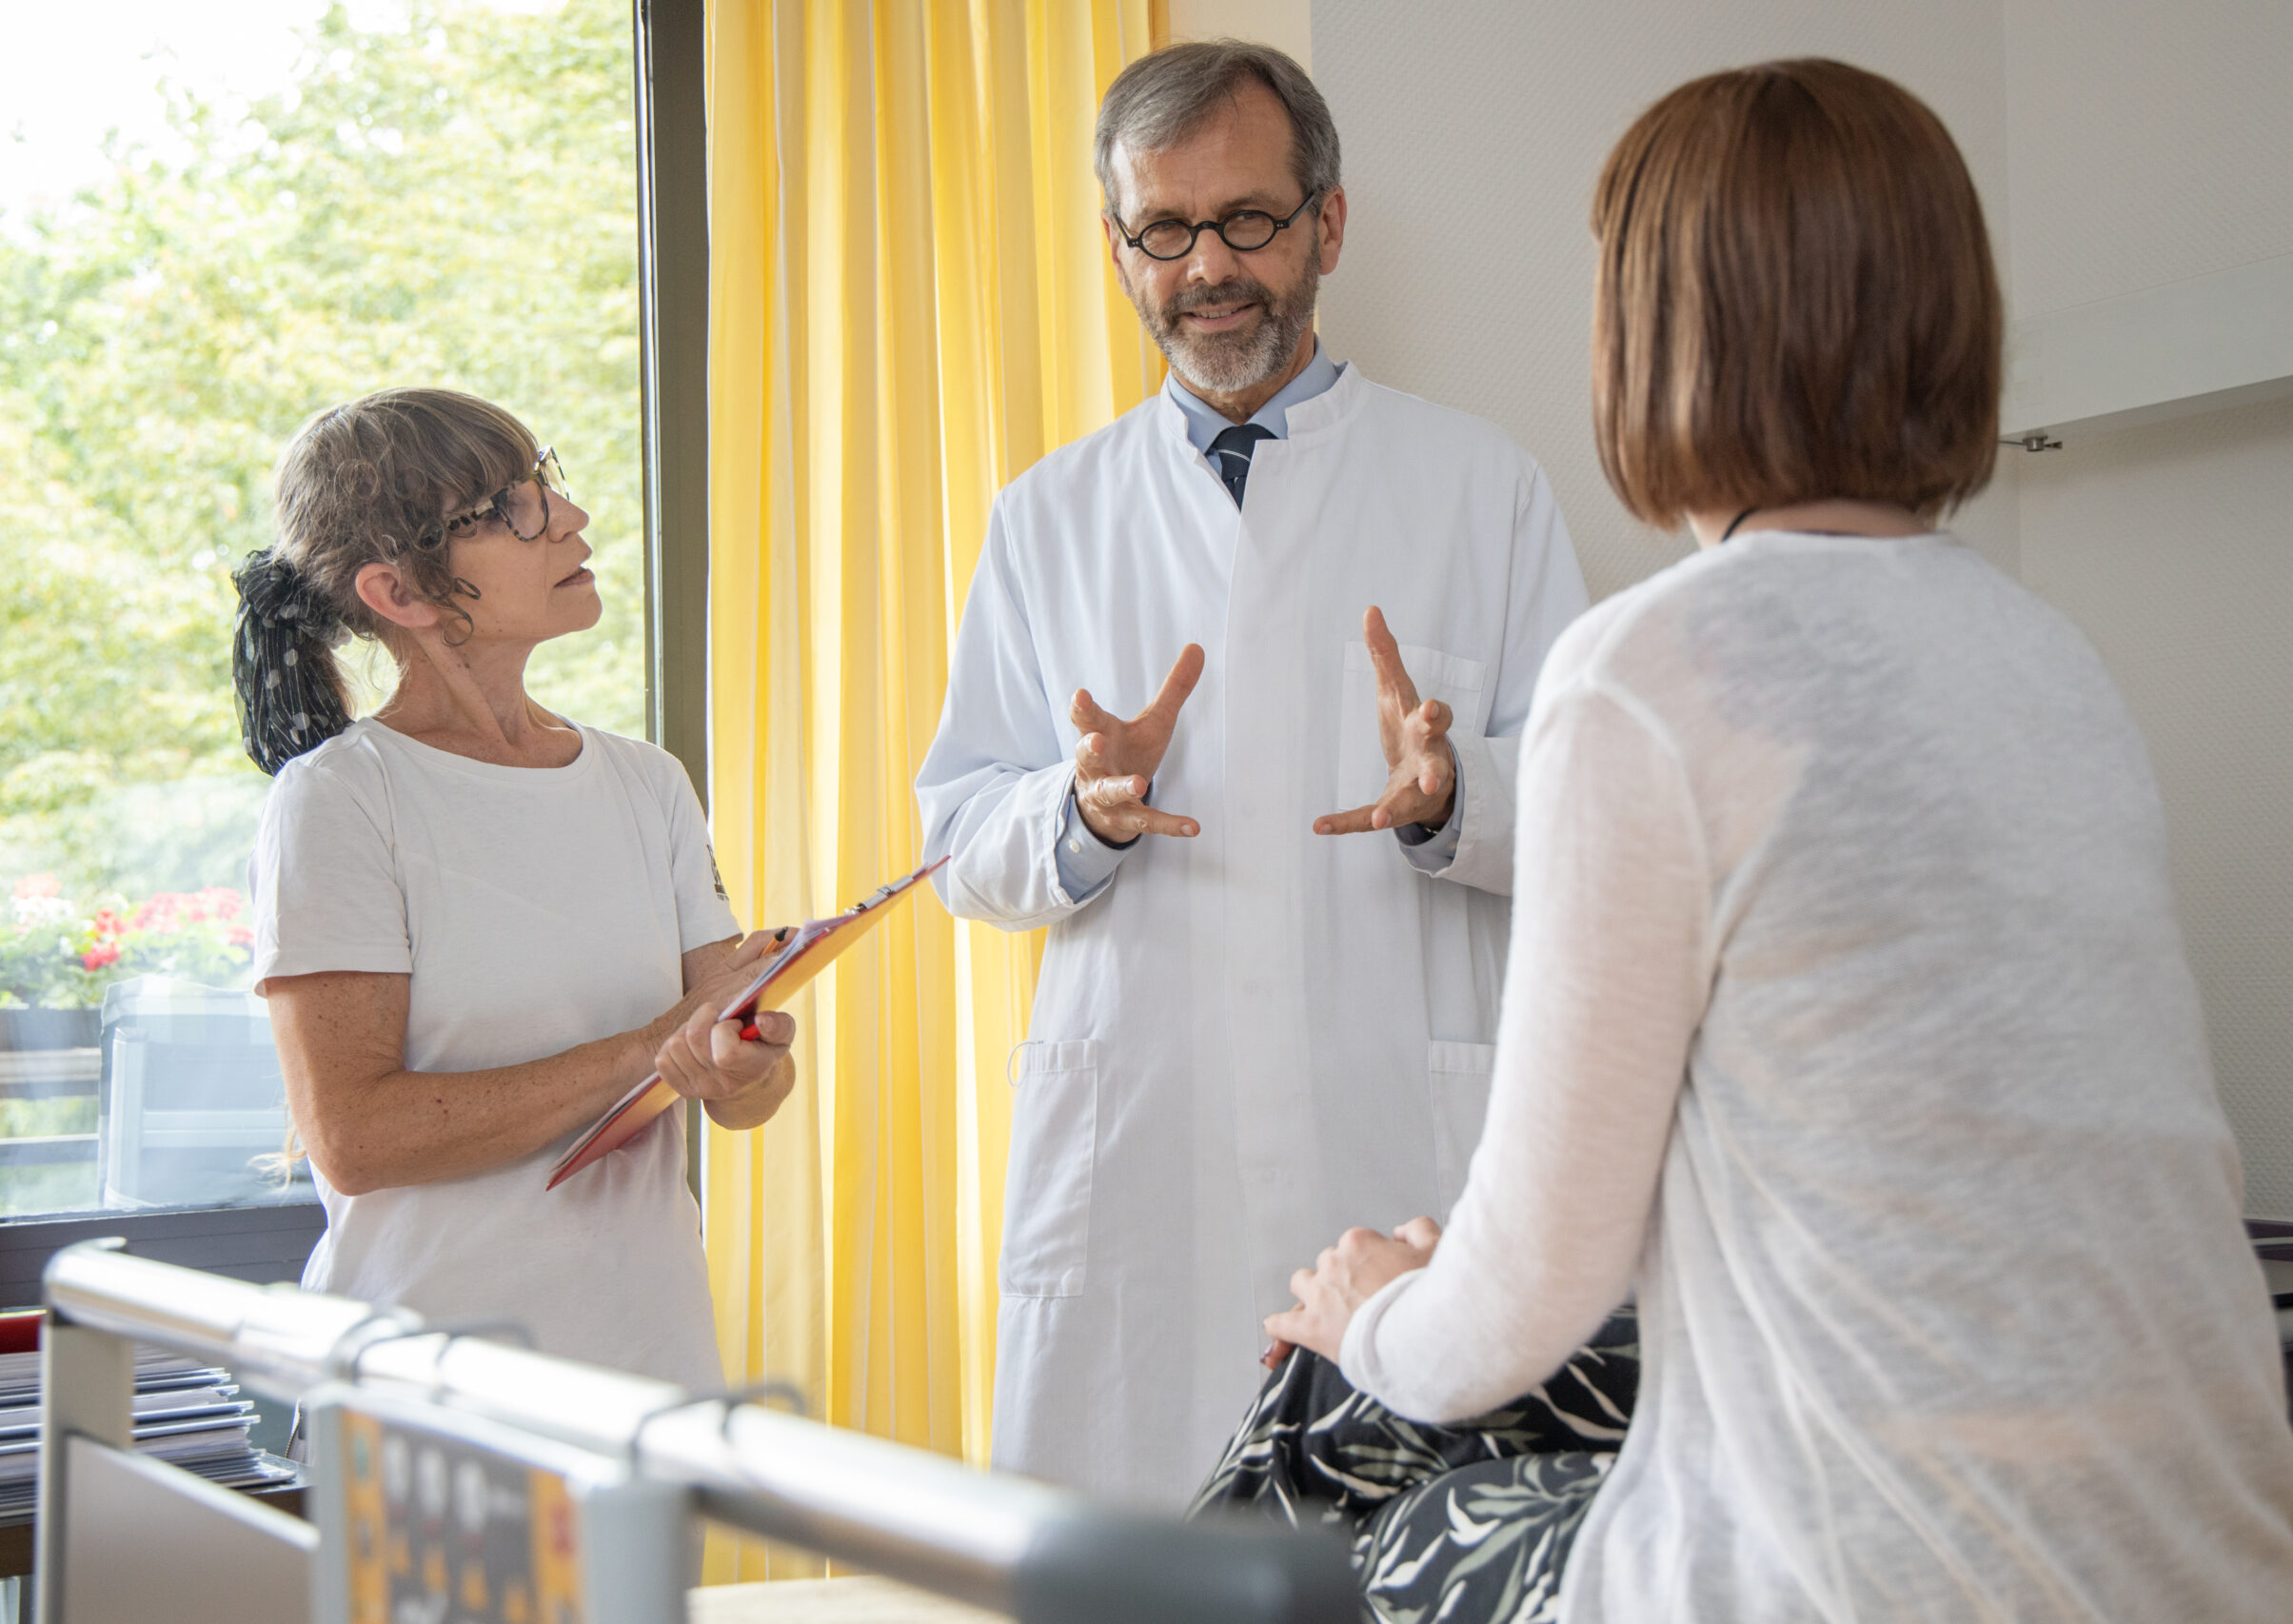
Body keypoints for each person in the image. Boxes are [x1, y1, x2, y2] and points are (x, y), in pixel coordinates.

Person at [1207, 58, 2293, 1624]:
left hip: (1884, 1585)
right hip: (2213, 1556)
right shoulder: (2048, 663)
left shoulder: (1658, 670)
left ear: (1652, 334)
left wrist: (1373, 1305)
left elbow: (1499, 1327)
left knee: (1318, 1454)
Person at [915, 41, 1589, 1499]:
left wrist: (1457, 794)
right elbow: (960, 842)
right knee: (1132, 1559)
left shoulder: (1483, 487)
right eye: (1165, 229)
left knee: (1405, 1549)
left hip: (1391, 1162)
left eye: (1249, 221)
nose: (1207, 265)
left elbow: (1598, 820)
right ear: (1120, 249)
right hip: (1143, 1171)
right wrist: (1077, 816)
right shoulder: (1048, 517)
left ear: (1326, 226)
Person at [237, 387, 797, 1393]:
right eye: (506, 508)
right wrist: (649, 1046)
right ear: (399, 593)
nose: (568, 517)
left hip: (647, 1363)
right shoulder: (339, 800)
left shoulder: (646, 780)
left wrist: (746, 1070)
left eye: (544, 481)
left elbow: (736, 1061)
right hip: (429, 1389)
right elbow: (356, 1138)